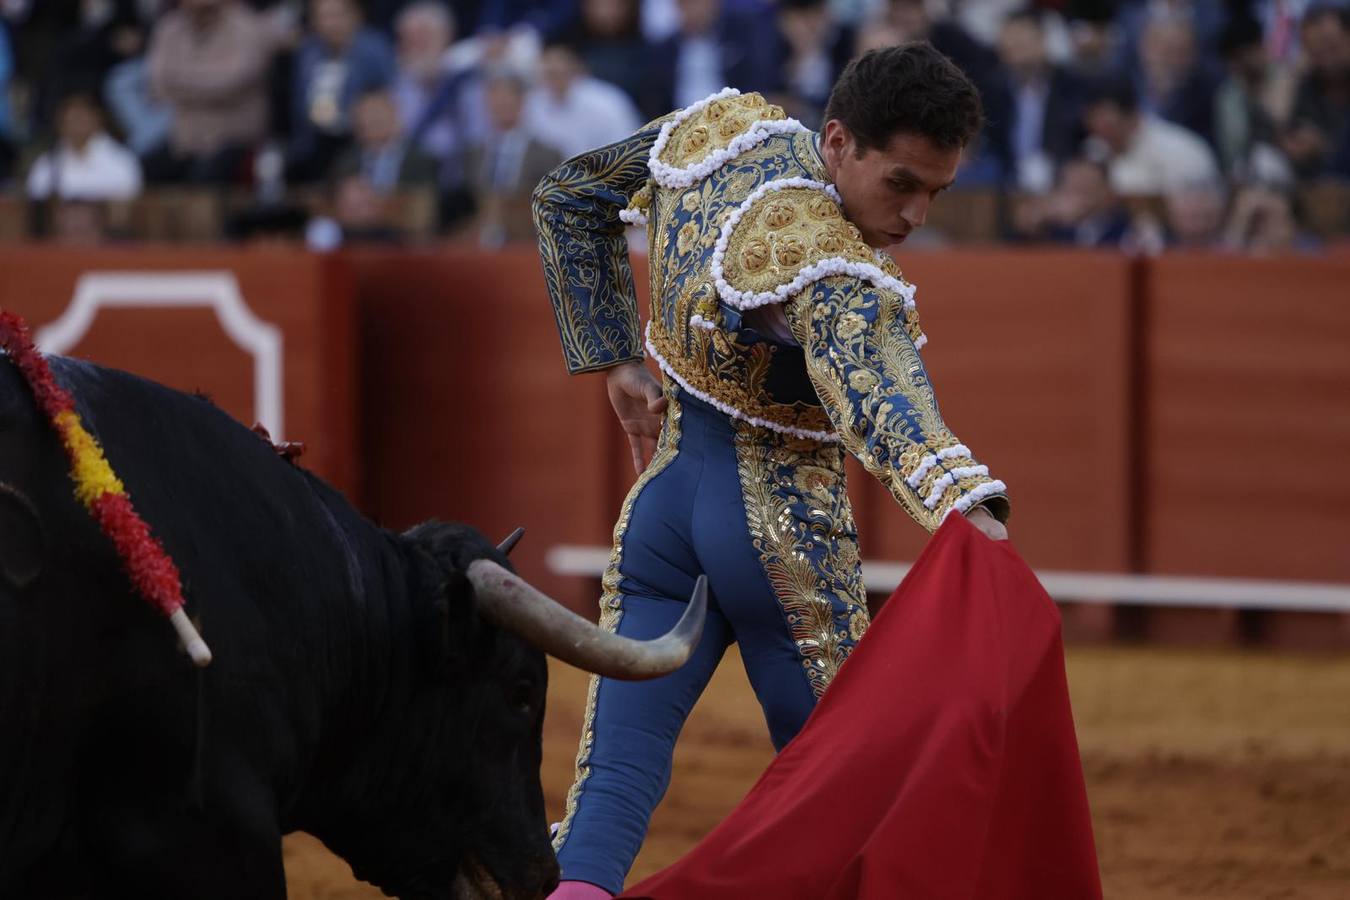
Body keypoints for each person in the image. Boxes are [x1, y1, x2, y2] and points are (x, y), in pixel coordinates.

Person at [533, 42, 1010, 899]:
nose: (915, 215)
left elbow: (568, 196)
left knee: (610, 788)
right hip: (782, 545)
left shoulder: (721, 129)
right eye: (901, 183)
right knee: (853, 800)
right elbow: (881, 398)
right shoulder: (835, 269)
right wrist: (963, 503)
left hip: (663, 517)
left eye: (936, 192)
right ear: (839, 142)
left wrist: (615, 362)